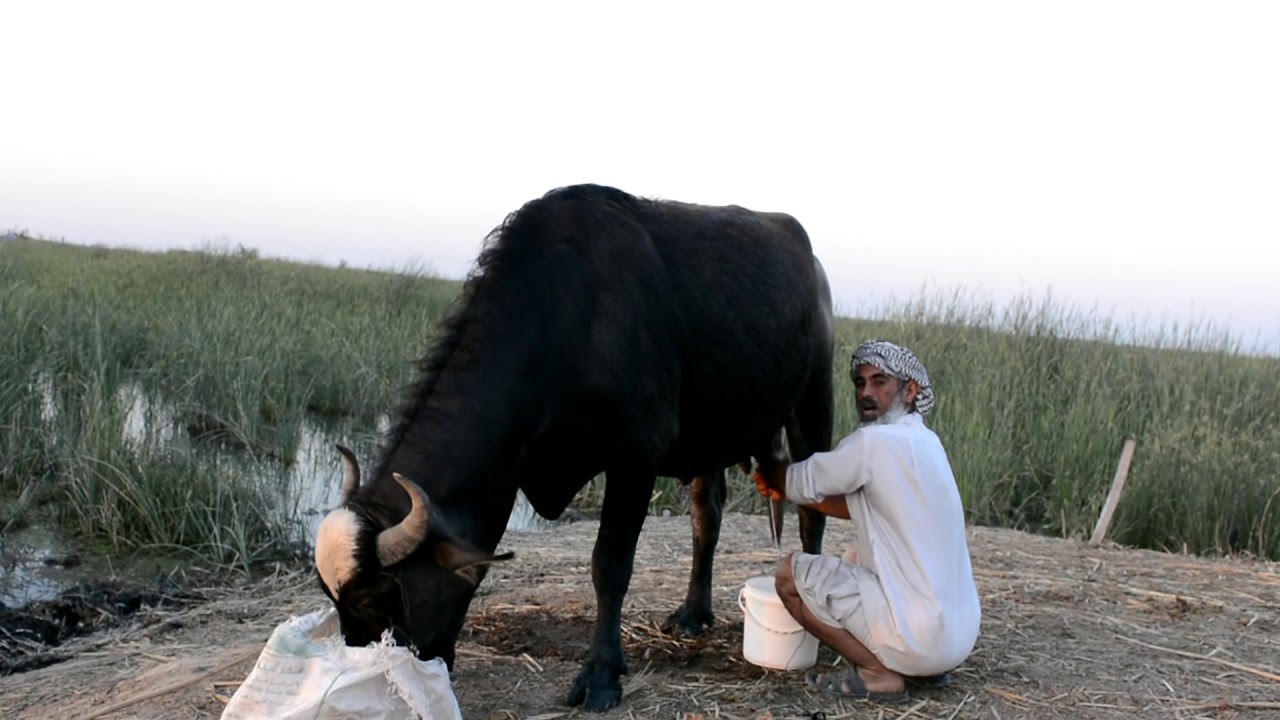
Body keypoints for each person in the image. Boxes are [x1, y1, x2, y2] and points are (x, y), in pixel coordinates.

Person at [753, 340, 980, 704]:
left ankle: (878, 674)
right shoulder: (928, 442)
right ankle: (929, 669)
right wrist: (793, 491)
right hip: (958, 640)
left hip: (919, 640)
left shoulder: (872, 443)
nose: (867, 393)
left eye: (879, 381)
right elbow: (863, 506)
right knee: (857, 555)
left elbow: (799, 480)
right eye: (860, 383)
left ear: (910, 390)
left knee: (789, 577)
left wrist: (773, 474)